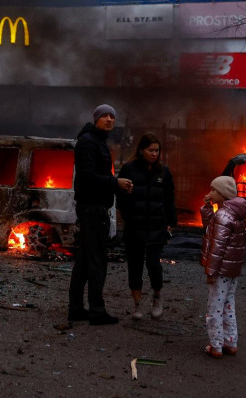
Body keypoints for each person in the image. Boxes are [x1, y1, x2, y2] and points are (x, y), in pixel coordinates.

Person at [68, 104, 134, 326]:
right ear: (96, 118)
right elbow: (87, 177)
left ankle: (76, 308)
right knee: (97, 261)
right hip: (92, 208)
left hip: (93, 207)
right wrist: (115, 183)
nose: (109, 119)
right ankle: (97, 311)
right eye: (104, 116)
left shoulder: (97, 141)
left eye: (112, 116)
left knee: (85, 260)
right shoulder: (88, 142)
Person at [116, 132, 176, 320]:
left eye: (157, 151)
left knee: (153, 264)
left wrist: (171, 224)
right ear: (141, 150)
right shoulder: (129, 169)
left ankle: (157, 296)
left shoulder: (164, 172)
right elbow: (120, 196)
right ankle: (137, 305)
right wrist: (128, 217)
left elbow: (169, 199)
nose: (154, 154)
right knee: (135, 266)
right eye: (150, 150)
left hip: (157, 228)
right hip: (135, 228)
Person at [200, 175, 246, 359]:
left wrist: (211, 271)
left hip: (220, 270)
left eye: (213, 189)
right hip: (232, 269)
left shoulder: (223, 215)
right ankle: (231, 342)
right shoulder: (233, 213)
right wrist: (207, 208)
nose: (210, 192)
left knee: (214, 307)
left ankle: (216, 346)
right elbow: (211, 227)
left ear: (222, 193)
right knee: (228, 305)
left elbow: (217, 247)